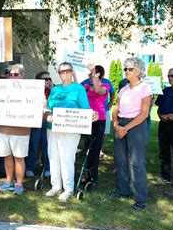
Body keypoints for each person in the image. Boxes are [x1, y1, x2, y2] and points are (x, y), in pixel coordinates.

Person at [44, 62, 96, 202]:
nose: (65, 73)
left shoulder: (78, 89)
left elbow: (85, 108)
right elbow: (48, 107)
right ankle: (56, 186)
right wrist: (48, 115)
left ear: (72, 72)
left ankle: (68, 188)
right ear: (59, 74)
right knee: (53, 157)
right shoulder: (55, 89)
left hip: (71, 129)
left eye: (67, 71)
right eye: (62, 71)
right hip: (53, 128)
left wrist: (93, 114)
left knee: (66, 158)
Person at [112, 57, 152, 210]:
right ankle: (123, 191)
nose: (126, 71)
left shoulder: (145, 88)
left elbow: (144, 114)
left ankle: (140, 199)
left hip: (136, 125)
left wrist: (125, 128)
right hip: (121, 124)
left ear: (139, 71)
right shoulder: (123, 89)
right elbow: (116, 109)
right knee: (120, 160)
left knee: (136, 162)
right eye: (125, 69)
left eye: (130, 69)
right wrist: (116, 126)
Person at [0, 64, 31, 195]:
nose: (12, 77)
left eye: (16, 74)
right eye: (10, 74)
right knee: (7, 157)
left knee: (19, 157)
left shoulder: (30, 90)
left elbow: (38, 104)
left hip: (21, 131)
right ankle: (9, 182)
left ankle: (19, 184)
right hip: (3, 129)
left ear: (22, 76)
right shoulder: (0, 89)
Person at [81, 64, 110, 185]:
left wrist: (93, 73)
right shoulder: (87, 86)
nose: (90, 77)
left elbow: (98, 90)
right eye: (90, 75)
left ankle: (94, 176)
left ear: (100, 76)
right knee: (87, 147)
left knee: (96, 147)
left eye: (93, 75)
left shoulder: (105, 86)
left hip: (99, 119)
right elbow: (79, 93)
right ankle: (86, 173)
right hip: (87, 119)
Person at [80, 69, 115, 157]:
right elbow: (79, 90)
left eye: (91, 74)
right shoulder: (87, 84)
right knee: (88, 136)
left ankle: (99, 150)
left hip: (101, 115)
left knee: (101, 135)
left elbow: (99, 90)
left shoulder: (106, 84)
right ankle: (87, 151)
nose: (89, 76)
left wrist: (111, 102)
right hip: (88, 114)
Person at [26, 71, 52, 178]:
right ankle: (30, 167)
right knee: (33, 145)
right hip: (35, 122)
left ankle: (47, 168)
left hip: (47, 123)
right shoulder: (32, 92)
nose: (48, 81)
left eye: (49, 79)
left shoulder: (53, 92)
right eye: (44, 79)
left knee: (46, 146)